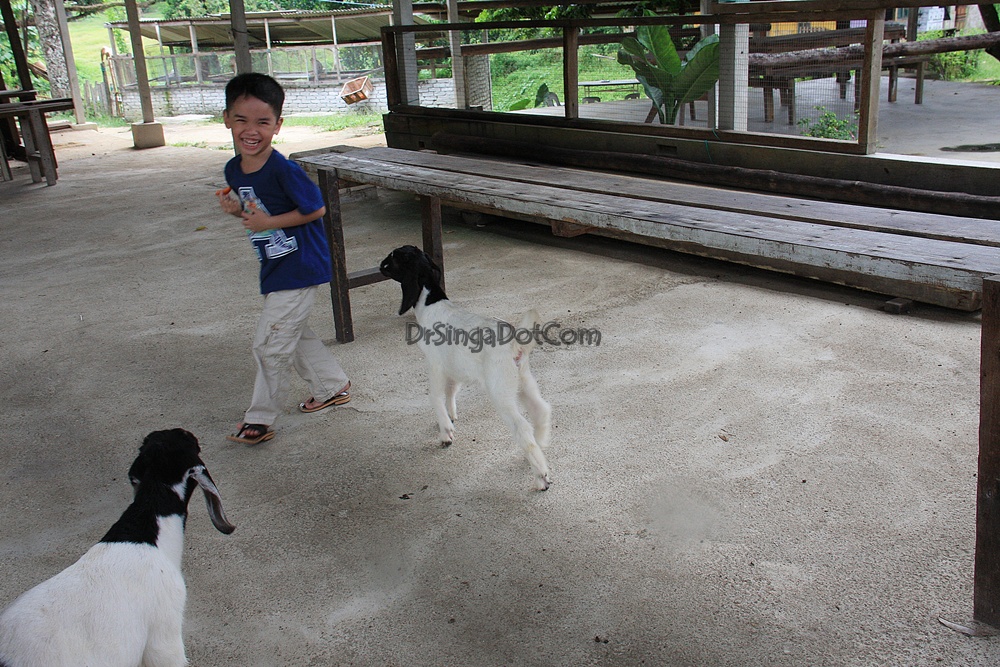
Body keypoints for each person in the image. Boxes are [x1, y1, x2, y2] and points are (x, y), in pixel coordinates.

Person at [217, 72, 350, 445]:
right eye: (241, 120)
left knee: (269, 343)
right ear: (226, 119)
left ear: (277, 125)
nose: (251, 130)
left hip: (300, 265)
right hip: (275, 266)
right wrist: (236, 210)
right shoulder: (233, 169)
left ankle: (259, 418)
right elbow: (256, 211)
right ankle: (332, 386)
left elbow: (316, 209)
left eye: (263, 122)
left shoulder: (284, 170)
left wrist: (268, 222)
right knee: (292, 333)